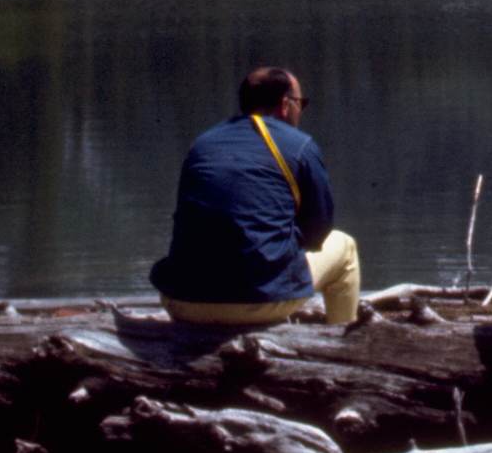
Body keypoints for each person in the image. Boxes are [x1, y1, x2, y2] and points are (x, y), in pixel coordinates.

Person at [149, 65, 362, 326]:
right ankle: (340, 346)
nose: (301, 111)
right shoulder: (299, 145)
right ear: (285, 105)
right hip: (259, 304)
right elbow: (318, 232)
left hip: (183, 301)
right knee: (345, 248)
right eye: (300, 103)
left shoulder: (203, 144)